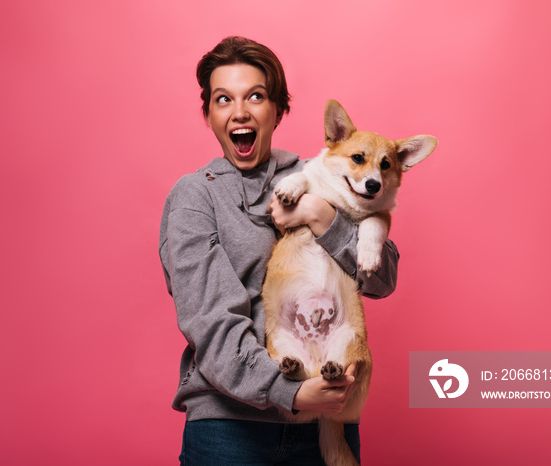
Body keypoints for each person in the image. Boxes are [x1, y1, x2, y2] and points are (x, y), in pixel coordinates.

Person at [159, 36, 399, 465]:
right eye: (222, 99)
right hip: (229, 428)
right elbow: (210, 319)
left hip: (326, 413)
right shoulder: (194, 196)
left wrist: (321, 215)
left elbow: (381, 280)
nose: (240, 112)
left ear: (278, 109)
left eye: (256, 96)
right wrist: (289, 390)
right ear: (209, 114)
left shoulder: (327, 174)